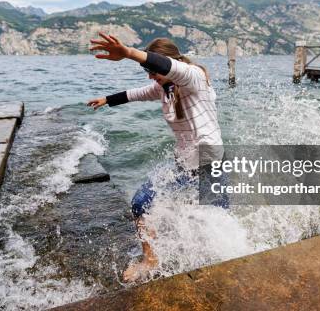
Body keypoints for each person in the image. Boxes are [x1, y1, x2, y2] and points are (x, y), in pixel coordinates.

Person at [87, 32, 226, 282]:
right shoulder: (165, 87)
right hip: (184, 163)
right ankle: (151, 259)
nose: (151, 76)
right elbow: (136, 93)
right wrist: (106, 100)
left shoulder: (192, 77)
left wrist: (129, 52)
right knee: (141, 202)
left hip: (210, 164)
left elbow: (166, 66)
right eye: (147, 71)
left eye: (152, 70)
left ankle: (223, 261)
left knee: (219, 221)